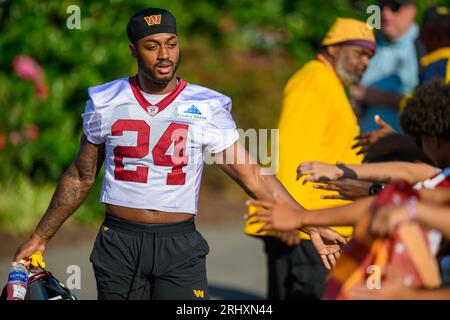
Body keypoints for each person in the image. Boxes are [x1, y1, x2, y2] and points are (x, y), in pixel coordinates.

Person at [11, 8, 343, 300]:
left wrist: (309, 223)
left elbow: (253, 176)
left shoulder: (207, 106)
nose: (164, 54)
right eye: (152, 46)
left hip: (179, 245)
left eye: (171, 43)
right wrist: (40, 237)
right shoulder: (106, 100)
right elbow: (81, 176)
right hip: (119, 242)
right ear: (134, 51)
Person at [245, 17, 376, 300]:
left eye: (369, 56)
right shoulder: (314, 81)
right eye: (360, 52)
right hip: (306, 231)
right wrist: (292, 217)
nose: (365, 62)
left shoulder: (330, 84)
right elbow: (293, 153)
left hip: (318, 226)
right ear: (333, 48)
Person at [353, 0, 422, 133]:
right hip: (364, 150)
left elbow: (436, 106)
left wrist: (378, 97)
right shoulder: (367, 44)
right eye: (381, 6)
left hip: (407, 152)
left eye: (395, 7)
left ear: (412, 10)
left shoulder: (426, 47)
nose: (385, 13)